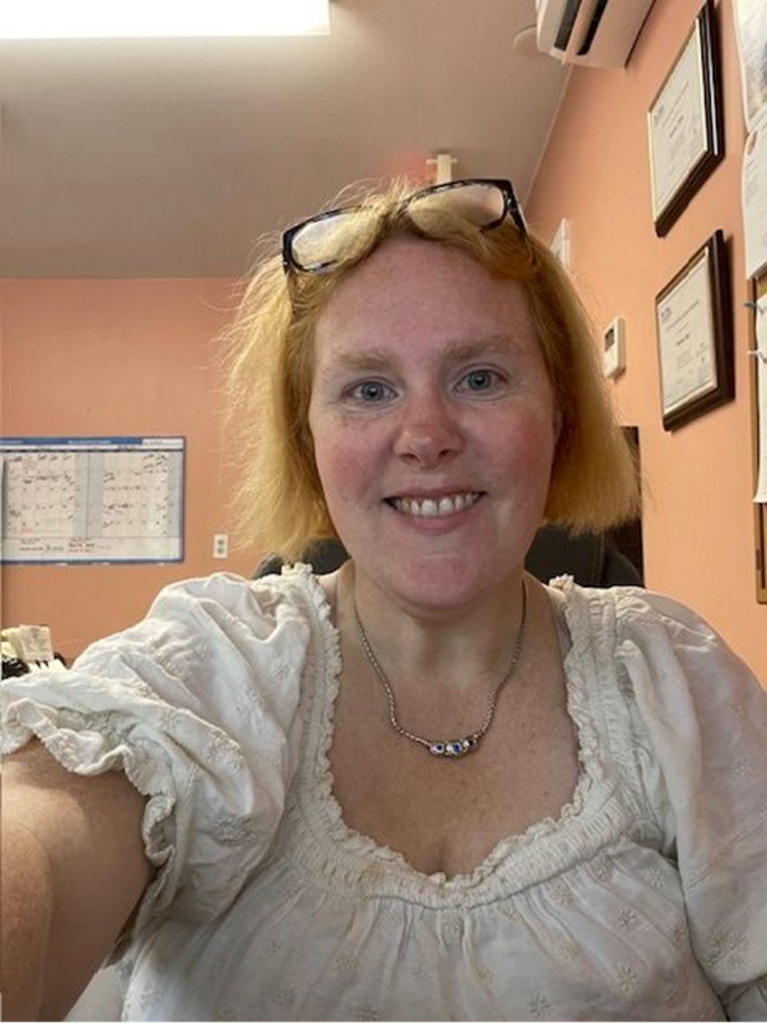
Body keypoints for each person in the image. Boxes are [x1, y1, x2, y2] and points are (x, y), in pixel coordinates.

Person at [2, 178, 766, 1024]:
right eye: (368, 390)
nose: (426, 434)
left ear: (557, 417)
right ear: (310, 441)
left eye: (479, 377)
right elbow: (39, 832)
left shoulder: (672, 680)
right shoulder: (213, 665)